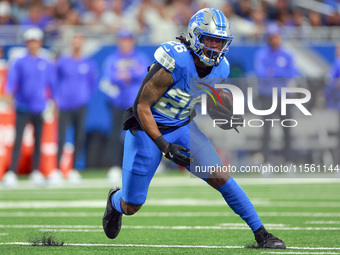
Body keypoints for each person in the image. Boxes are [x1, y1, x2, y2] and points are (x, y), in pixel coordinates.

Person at [102, 8, 286, 249]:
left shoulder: (222, 68)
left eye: (220, 42)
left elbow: (200, 98)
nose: (215, 47)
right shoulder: (175, 60)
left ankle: (262, 234)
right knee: (132, 205)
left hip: (182, 126)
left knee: (221, 176)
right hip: (148, 129)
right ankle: (114, 201)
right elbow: (141, 107)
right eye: (210, 39)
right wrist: (165, 147)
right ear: (195, 36)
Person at [2, 27, 55, 188]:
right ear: (27, 43)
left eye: (36, 41)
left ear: (40, 43)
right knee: (17, 140)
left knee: (38, 141)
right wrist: (9, 94)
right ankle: (12, 172)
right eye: (30, 41)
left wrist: (53, 101)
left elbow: (51, 84)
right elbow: (12, 81)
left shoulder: (45, 61)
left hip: (39, 107)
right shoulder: (19, 61)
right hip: (23, 106)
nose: (33, 44)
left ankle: (35, 171)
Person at [103, 29, 149, 183]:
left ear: (132, 41)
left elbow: (144, 74)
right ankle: (115, 167)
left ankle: (140, 166)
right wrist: (128, 75)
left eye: (128, 40)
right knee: (116, 136)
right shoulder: (112, 58)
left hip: (136, 104)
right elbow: (109, 77)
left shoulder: (140, 57)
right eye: (122, 40)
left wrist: (127, 74)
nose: (125, 43)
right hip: (118, 103)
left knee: (140, 135)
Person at [52, 34, 97, 184]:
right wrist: (56, 100)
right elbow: (55, 81)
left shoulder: (88, 63)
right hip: (64, 105)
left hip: (80, 105)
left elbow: (92, 83)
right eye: (75, 41)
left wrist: (83, 97)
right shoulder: (63, 62)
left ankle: (74, 169)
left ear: (83, 44)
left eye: (80, 41)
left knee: (79, 137)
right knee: (61, 137)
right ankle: (57, 169)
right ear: (71, 43)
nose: (77, 44)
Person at [254, 23, 297, 164]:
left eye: (276, 36)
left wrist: (273, 72)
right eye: (272, 36)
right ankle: (266, 163)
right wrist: (277, 73)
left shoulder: (287, 54)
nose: (274, 39)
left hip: (284, 97)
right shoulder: (262, 54)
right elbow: (261, 74)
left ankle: (289, 162)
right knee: (266, 131)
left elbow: (290, 74)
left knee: (287, 131)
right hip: (267, 96)